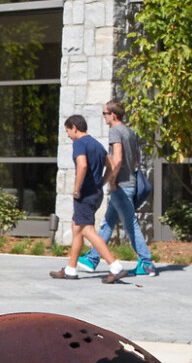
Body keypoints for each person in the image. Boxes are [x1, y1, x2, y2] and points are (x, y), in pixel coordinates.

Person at [80, 99, 154, 277]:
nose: (103, 117)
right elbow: (135, 160)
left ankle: (146, 262)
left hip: (120, 186)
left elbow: (118, 159)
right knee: (108, 223)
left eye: (105, 113)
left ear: (113, 115)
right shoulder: (130, 131)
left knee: (130, 225)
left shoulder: (115, 131)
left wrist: (110, 180)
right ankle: (92, 258)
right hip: (129, 183)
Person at [50, 116, 125, 282]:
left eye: (68, 130)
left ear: (74, 127)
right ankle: (70, 269)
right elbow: (112, 166)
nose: (68, 135)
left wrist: (77, 189)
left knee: (86, 229)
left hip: (85, 194)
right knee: (77, 226)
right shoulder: (97, 144)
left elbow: (82, 165)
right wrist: (102, 183)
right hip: (96, 193)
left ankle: (115, 266)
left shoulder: (79, 143)